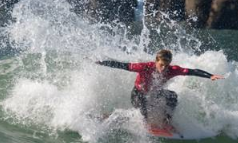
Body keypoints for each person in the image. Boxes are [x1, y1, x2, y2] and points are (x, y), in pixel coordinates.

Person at [96, 49, 224, 127]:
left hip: (153, 93)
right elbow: (122, 65)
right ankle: (109, 117)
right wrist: (101, 62)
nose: (163, 68)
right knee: (143, 114)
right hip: (138, 94)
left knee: (172, 96)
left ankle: (166, 122)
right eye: (161, 65)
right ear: (156, 61)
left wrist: (210, 76)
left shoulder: (172, 70)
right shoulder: (144, 67)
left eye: (166, 65)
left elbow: (192, 71)